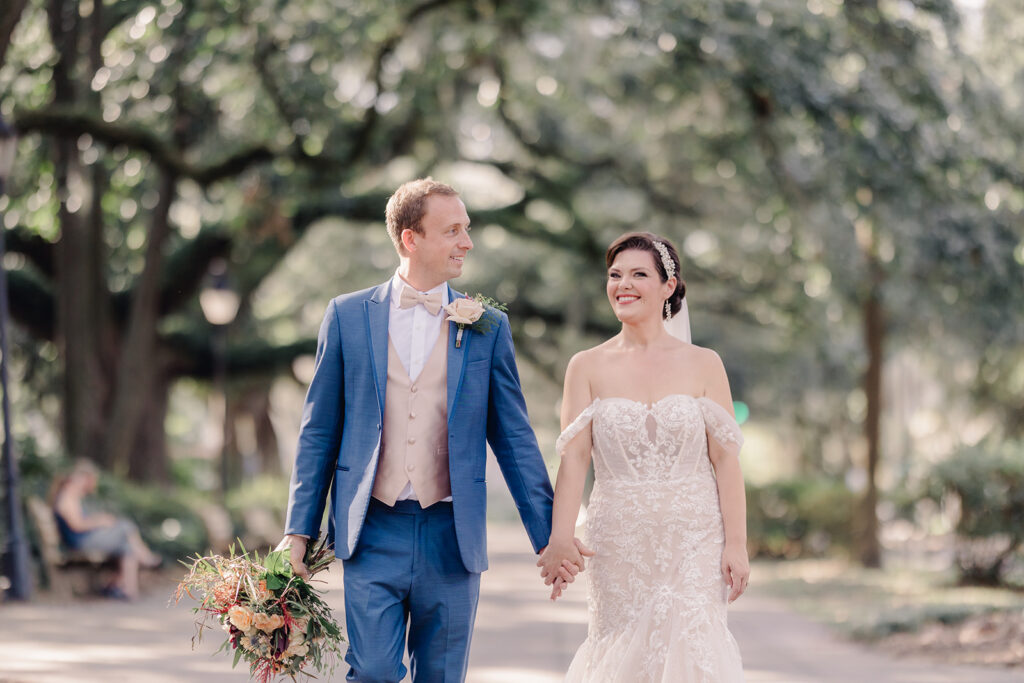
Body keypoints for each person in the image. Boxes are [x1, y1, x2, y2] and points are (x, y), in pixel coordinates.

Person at [278, 178, 585, 682]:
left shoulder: (486, 325)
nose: (467, 242)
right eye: (453, 230)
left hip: (451, 534)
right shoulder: (348, 316)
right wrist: (297, 533)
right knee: (373, 671)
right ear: (410, 238)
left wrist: (550, 535)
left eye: (467, 229)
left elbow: (513, 439)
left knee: (441, 675)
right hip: (371, 530)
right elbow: (318, 432)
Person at [538, 232, 748, 682]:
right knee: (623, 650)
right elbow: (574, 461)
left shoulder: (705, 363)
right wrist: (560, 538)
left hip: (695, 537)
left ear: (668, 287)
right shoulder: (586, 366)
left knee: (693, 647)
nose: (622, 284)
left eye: (638, 275)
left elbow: (726, 461)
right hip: (620, 540)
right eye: (615, 275)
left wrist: (737, 544)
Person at [51, 459, 163, 600]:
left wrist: (100, 519)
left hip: (83, 539)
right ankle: (146, 558)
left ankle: (127, 590)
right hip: (79, 542)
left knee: (127, 547)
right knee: (125, 526)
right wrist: (99, 521)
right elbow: (77, 526)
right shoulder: (67, 498)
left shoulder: (70, 496)